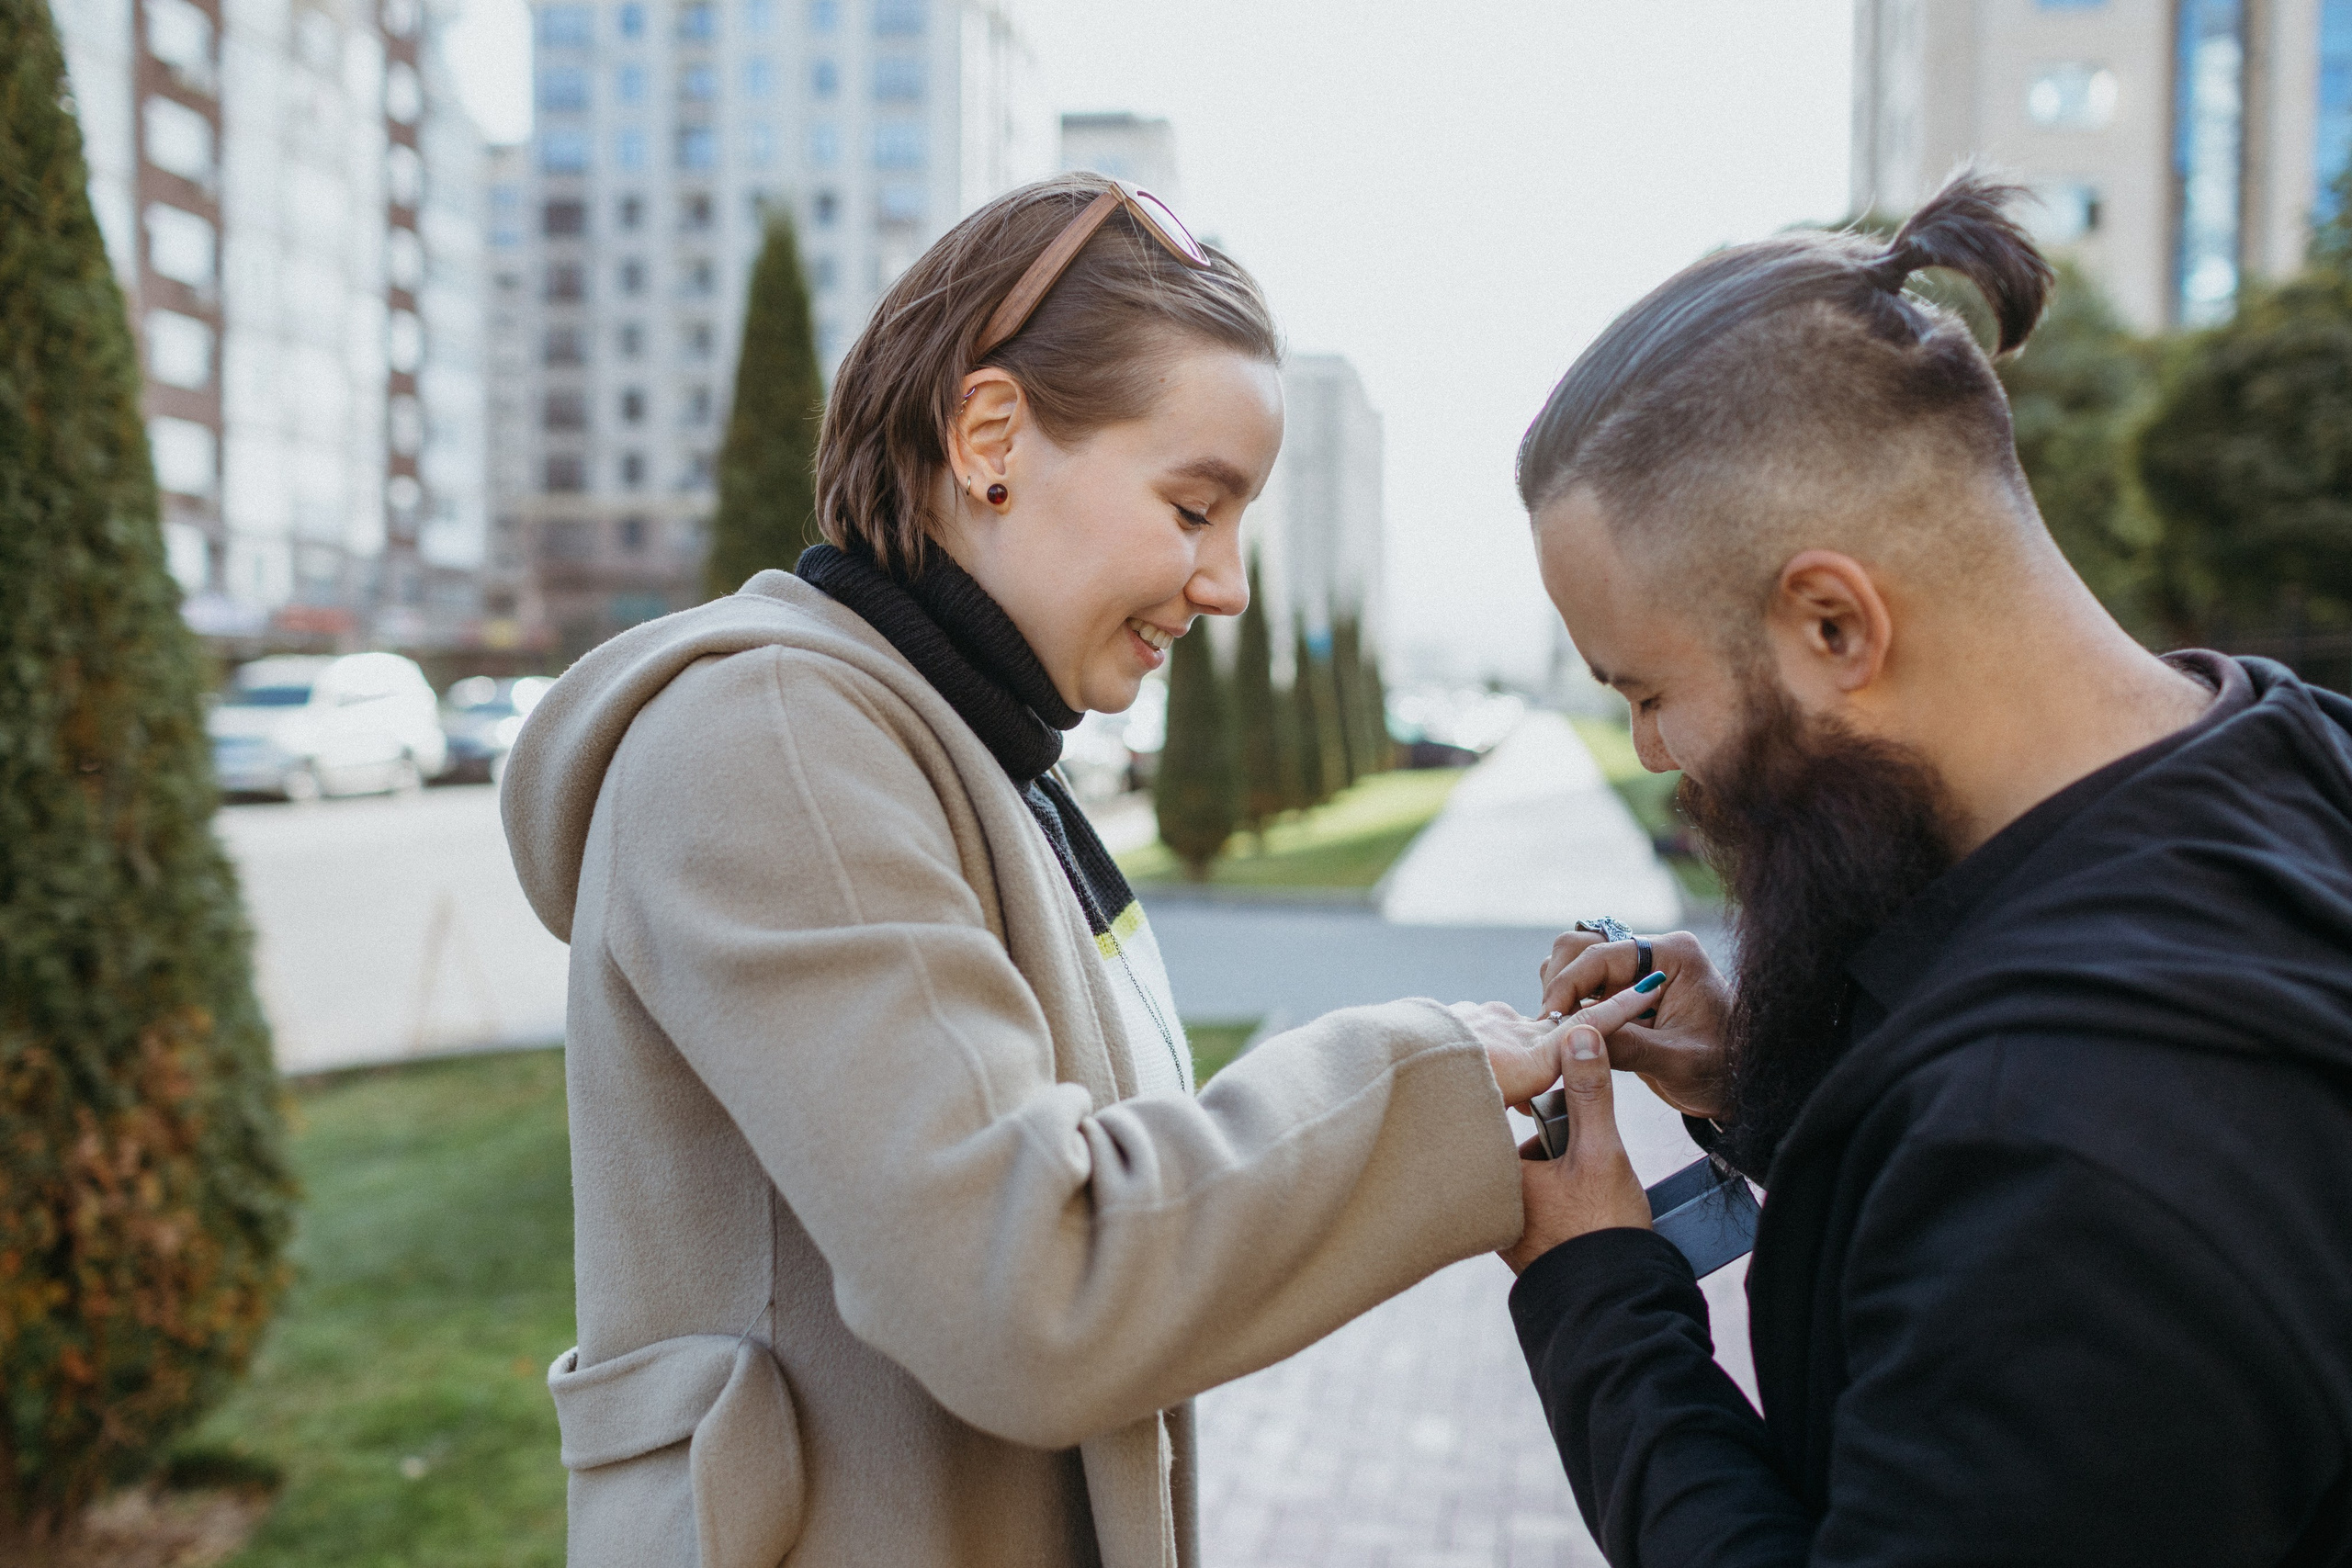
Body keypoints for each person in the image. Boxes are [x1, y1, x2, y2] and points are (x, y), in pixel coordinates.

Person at [499, 173, 1563, 1568]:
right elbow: (1034, 1286)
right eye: (1196, 506)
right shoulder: (775, 741)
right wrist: (1426, 1075)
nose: (1228, 582)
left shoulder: (974, 751)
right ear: (991, 434)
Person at [1500, 170, 2352, 1565]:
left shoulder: (2068, 1170)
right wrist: (1765, 1083)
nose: (1655, 753)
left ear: (1834, 624)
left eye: (1646, 689)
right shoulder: (2293, 762)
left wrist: (1594, 1286)